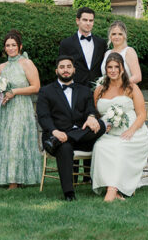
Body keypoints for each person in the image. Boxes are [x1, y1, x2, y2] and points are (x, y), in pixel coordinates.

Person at [37, 55, 106, 201]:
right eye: (62, 67)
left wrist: (91, 117)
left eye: (68, 67)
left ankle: (70, 136)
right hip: (55, 137)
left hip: (80, 137)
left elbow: (91, 109)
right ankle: (69, 193)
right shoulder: (46, 91)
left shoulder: (84, 90)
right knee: (65, 148)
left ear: (74, 69)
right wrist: (55, 131)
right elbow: (43, 116)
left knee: (102, 126)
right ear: (57, 71)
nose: (65, 70)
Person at [90, 53, 148, 201]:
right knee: (100, 146)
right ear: (106, 69)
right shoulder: (99, 90)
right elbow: (96, 113)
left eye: (116, 67)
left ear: (122, 69)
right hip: (109, 133)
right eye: (109, 67)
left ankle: (112, 190)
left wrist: (131, 130)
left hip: (133, 132)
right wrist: (101, 124)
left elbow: (142, 114)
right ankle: (113, 190)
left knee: (119, 147)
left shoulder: (131, 87)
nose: (113, 70)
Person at [0, 31, 41, 189]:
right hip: (6, 108)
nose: (10, 48)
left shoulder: (26, 63)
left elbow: (36, 87)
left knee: (17, 141)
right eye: (7, 45)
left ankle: (16, 180)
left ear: (20, 46)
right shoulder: (1, 67)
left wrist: (15, 92)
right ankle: (7, 177)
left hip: (21, 107)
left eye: (13, 45)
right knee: (6, 141)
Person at [59, 7, 107, 88]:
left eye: (91, 21)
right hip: (75, 88)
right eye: (85, 20)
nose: (88, 23)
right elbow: (61, 67)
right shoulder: (66, 43)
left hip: (97, 89)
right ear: (78, 21)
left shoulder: (101, 43)